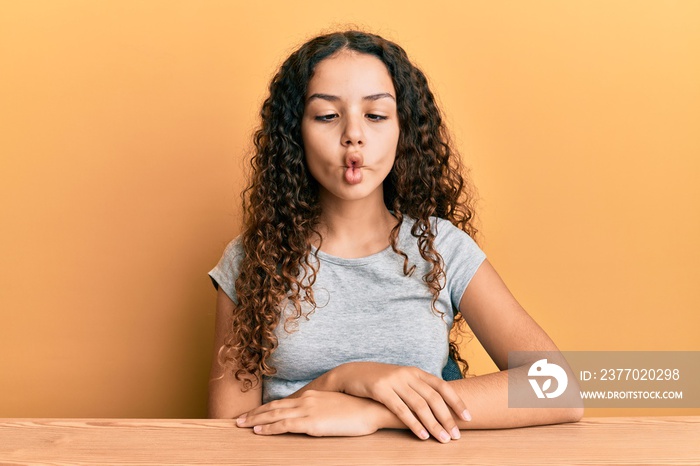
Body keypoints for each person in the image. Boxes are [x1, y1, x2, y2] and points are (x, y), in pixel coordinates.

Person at [207, 30, 582, 443]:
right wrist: (344, 379)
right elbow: (231, 430)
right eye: (327, 116)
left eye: (376, 115)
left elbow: (559, 388)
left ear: (403, 130)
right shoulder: (254, 257)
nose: (354, 134)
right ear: (295, 133)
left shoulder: (441, 247)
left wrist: (375, 411)